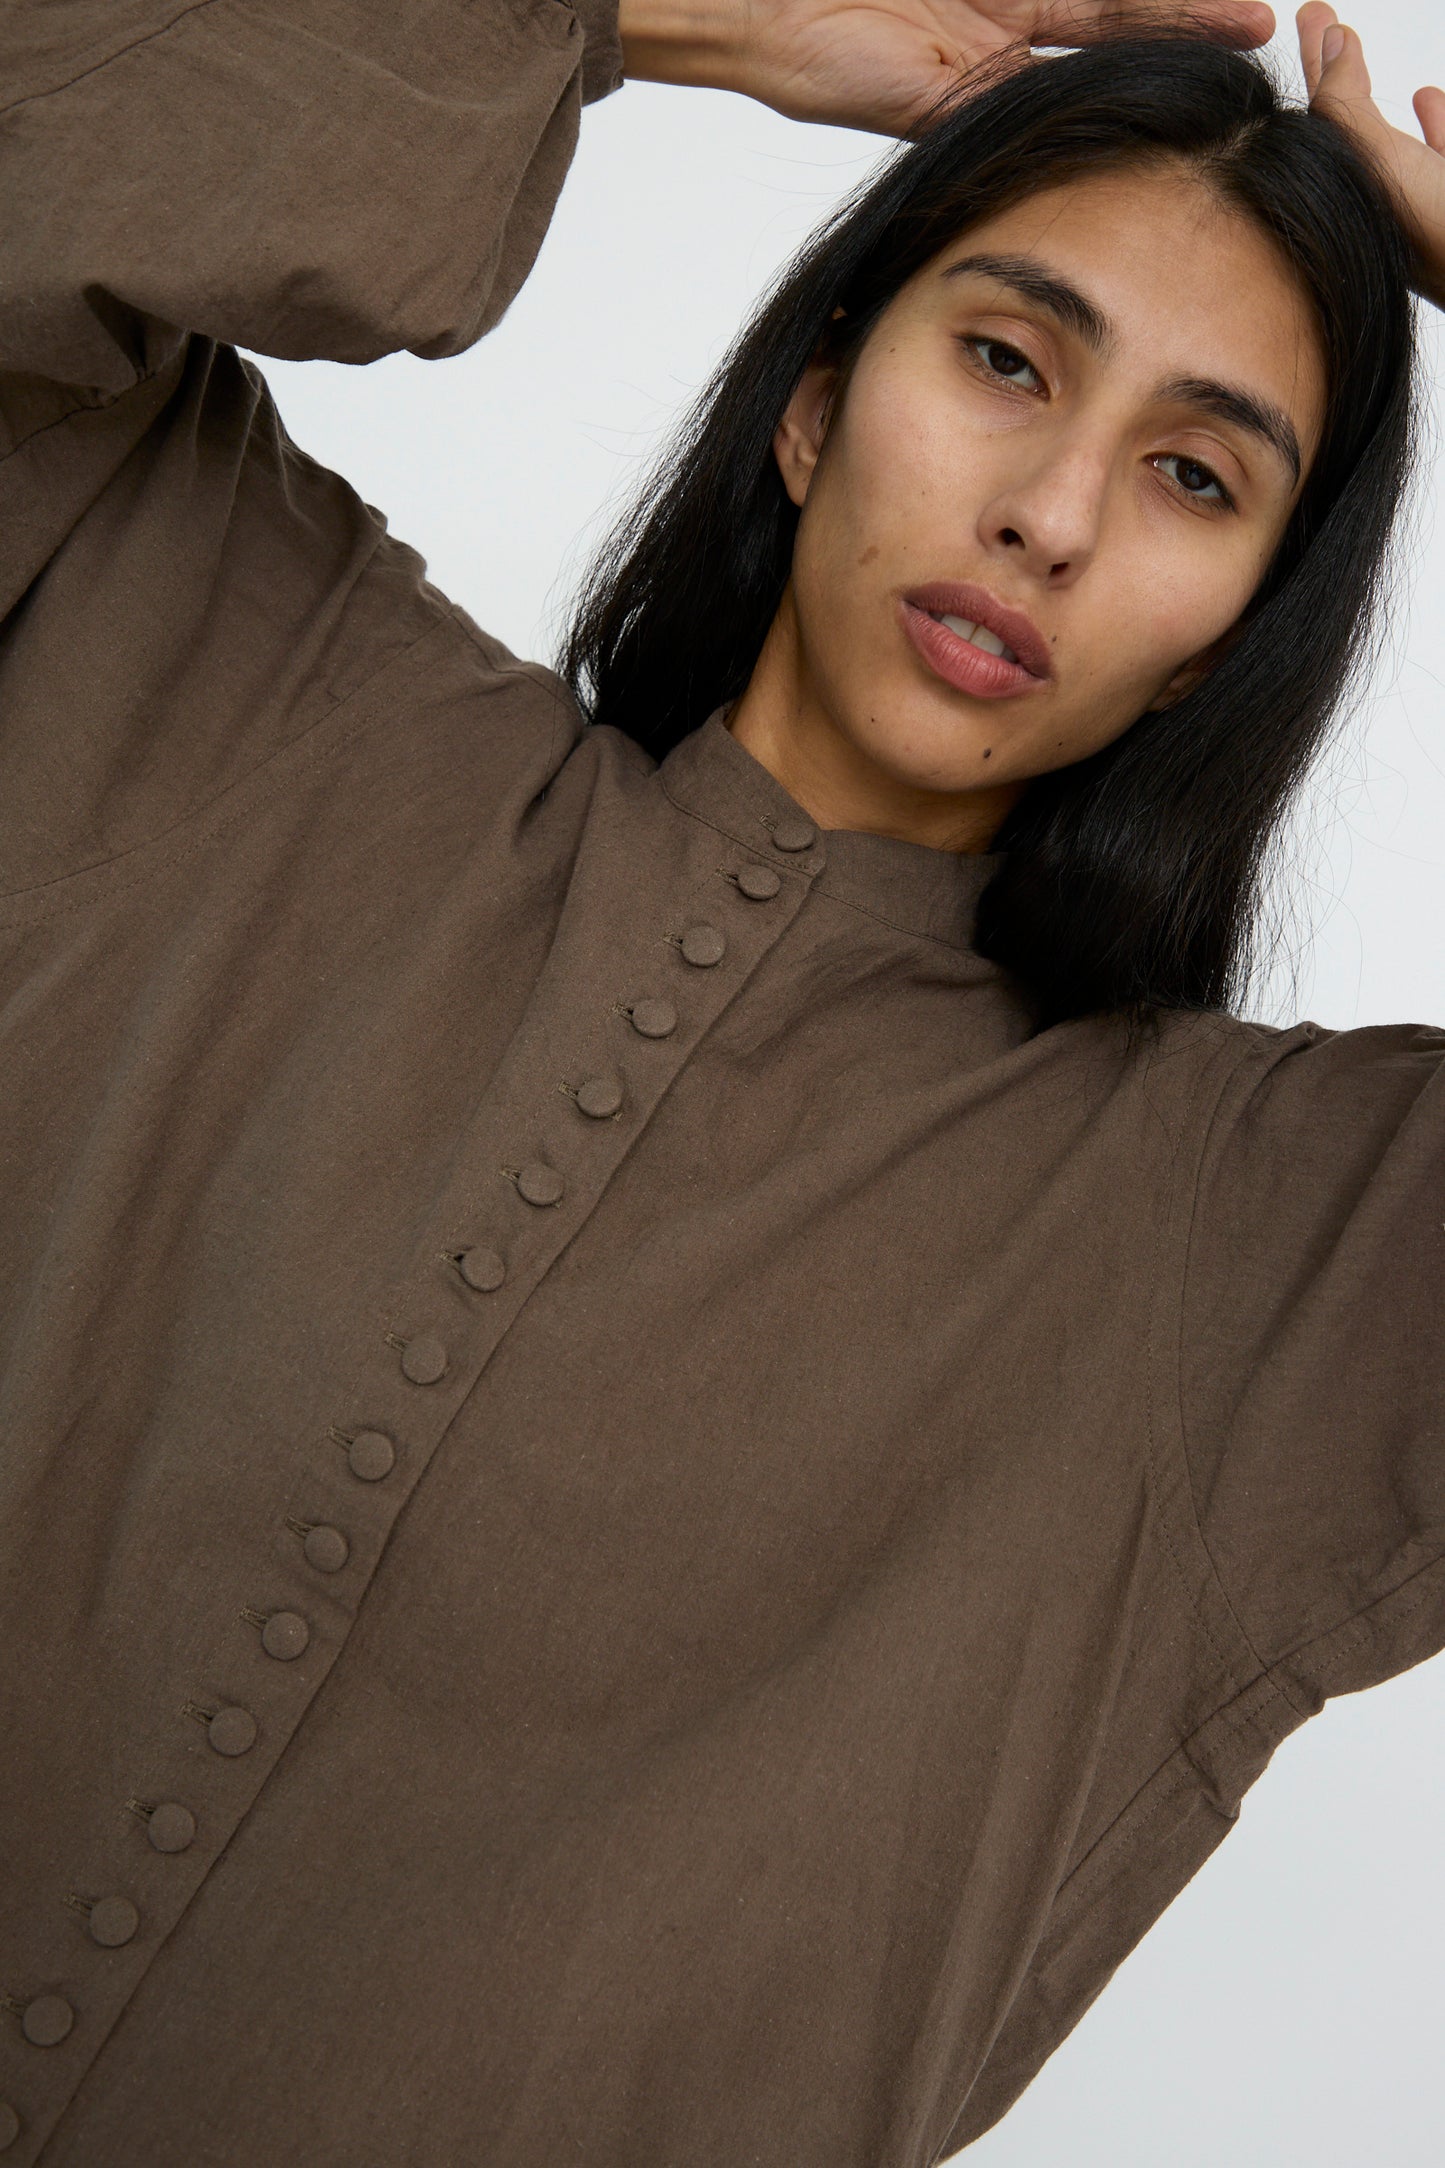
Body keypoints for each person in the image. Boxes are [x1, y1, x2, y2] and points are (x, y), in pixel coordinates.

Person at [0, 1, 1441, 2162]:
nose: (1052, 512)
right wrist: (622, 9)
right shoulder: (235, 676)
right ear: (813, 402)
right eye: (1007, 359)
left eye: (1195, 474)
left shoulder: (1273, 1273)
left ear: (1232, 630)